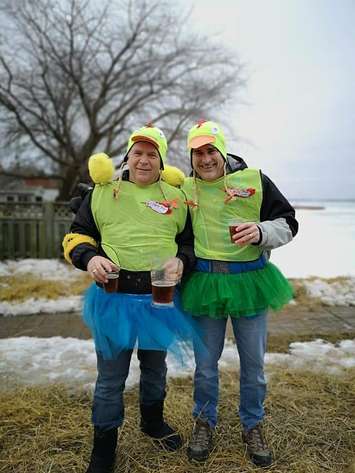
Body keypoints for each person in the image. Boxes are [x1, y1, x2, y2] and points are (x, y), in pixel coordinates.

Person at [62, 124, 198, 473]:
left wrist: (182, 260)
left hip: (159, 299)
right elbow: (77, 235)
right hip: (113, 299)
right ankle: (104, 447)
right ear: (127, 156)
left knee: (155, 370)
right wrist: (89, 258)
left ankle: (152, 423)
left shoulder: (176, 198)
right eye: (138, 152)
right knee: (110, 378)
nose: (144, 160)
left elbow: (189, 243)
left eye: (152, 154)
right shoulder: (102, 192)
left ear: (161, 161)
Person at [181, 120, 298, 467]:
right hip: (205, 283)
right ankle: (204, 422)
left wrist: (261, 231)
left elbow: (289, 222)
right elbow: (145, 201)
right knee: (204, 365)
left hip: (250, 281)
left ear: (222, 151)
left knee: (254, 364)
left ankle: (253, 424)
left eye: (210, 151)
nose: (205, 159)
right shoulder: (183, 188)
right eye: (198, 153)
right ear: (191, 157)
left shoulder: (255, 181)